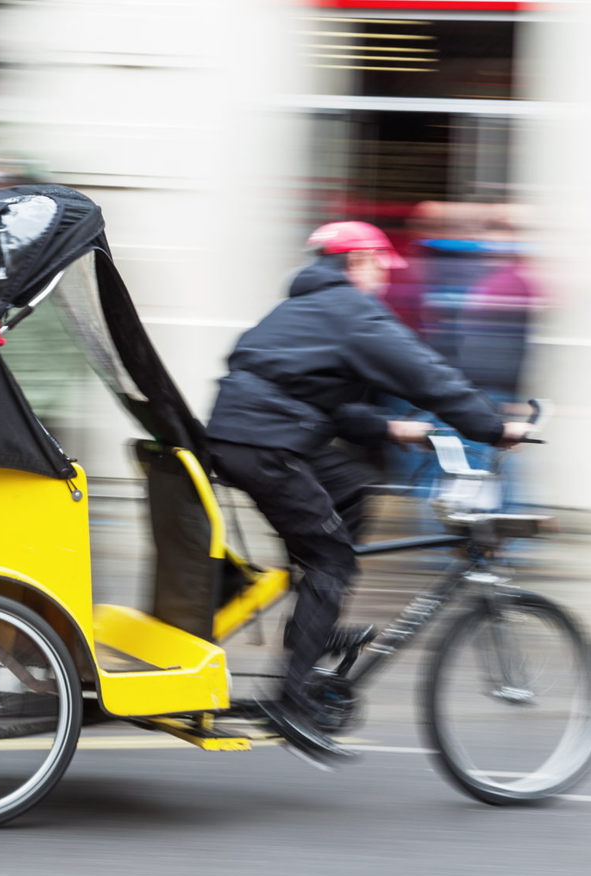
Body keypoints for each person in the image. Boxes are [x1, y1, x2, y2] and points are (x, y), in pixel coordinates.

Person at [205, 220, 533, 768]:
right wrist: (492, 426)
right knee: (330, 556)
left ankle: (317, 623)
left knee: (352, 486)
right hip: (265, 444)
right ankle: (294, 701)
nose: (384, 278)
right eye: (381, 265)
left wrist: (390, 429)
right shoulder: (348, 310)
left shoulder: (311, 308)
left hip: (255, 435)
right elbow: (427, 375)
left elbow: (314, 396)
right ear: (355, 260)